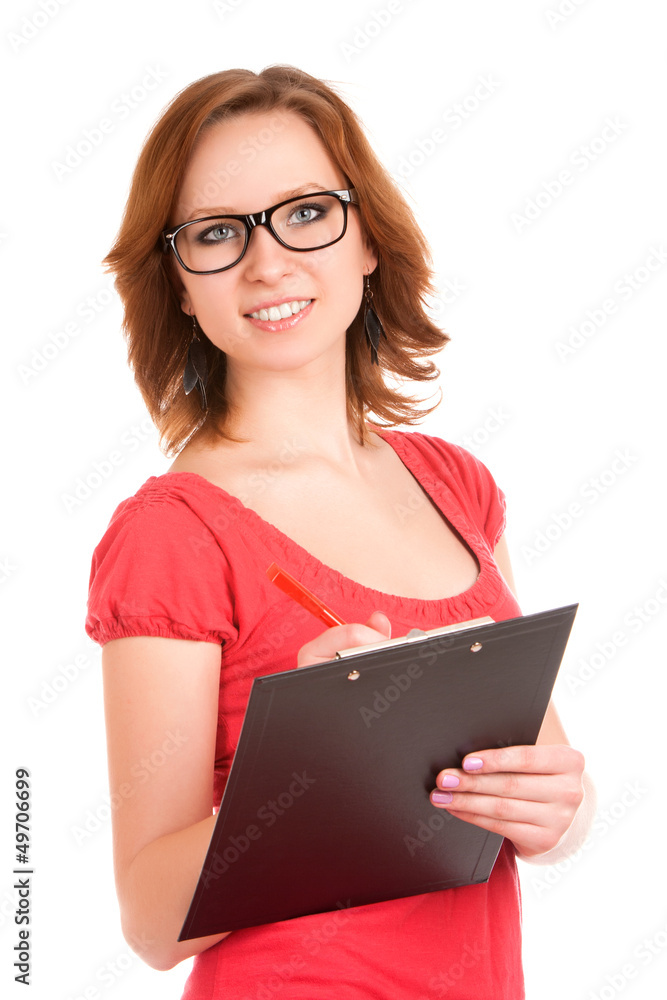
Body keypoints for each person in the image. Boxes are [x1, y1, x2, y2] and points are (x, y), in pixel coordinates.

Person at [85, 65, 595, 998]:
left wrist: (563, 807)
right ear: (180, 286)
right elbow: (150, 923)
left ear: (366, 237)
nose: (267, 261)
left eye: (305, 213)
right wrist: (311, 764)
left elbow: (540, 782)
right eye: (215, 233)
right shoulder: (171, 532)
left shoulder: (456, 487)